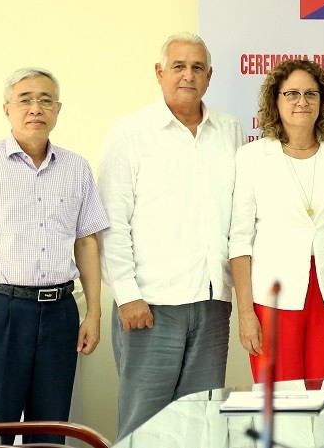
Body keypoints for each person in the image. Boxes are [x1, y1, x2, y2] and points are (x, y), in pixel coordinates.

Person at [0, 67, 106, 446]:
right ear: (7, 108)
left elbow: (86, 243)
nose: (36, 108)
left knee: (50, 431)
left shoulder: (76, 168)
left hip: (61, 312)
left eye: (45, 100)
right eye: (25, 99)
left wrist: (93, 313)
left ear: (58, 109)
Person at [98, 33, 245, 438]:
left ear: (210, 76)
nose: (188, 75)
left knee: (202, 422)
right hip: (150, 305)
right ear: (159, 73)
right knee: (144, 425)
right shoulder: (129, 133)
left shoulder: (230, 131)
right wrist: (127, 295)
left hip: (213, 302)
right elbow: (112, 221)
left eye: (197, 67)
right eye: (178, 66)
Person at [229, 59, 324, 382]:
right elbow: (239, 241)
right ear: (275, 101)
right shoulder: (252, 157)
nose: (302, 102)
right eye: (291, 93)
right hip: (273, 298)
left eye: (311, 94)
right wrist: (246, 312)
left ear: (323, 102)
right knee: (279, 403)